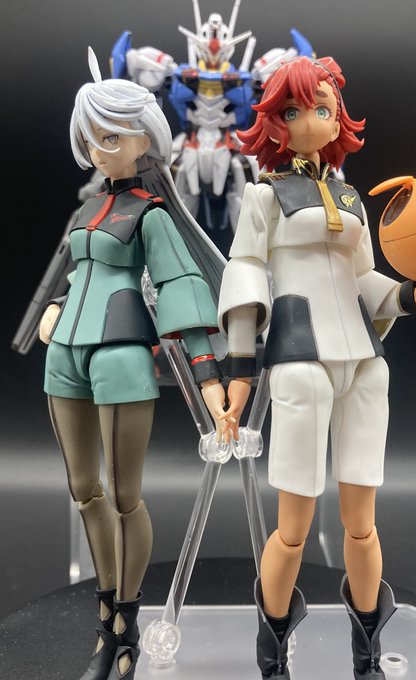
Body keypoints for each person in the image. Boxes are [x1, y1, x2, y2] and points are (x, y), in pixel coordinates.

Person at [216, 55, 416, 679]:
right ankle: (273, 656)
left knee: (362, 525)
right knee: (293, 529)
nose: (308, 119)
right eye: (293, 109)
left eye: (321, 107)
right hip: (300, 358)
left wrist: (413, 297)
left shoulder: (351, 197)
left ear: (338, 119)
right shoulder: (265, 195)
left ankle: (367, 653)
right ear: (275, 120)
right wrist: (241, 373)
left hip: (364, 362)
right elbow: (245, 275)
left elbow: (365, 283)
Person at [39, 47, 227, 680]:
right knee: (82, 490)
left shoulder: (151, 214)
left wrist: (207, 375)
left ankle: (126, 625)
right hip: (65, 353)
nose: (99, 148)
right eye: (91, 136)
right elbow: (82, 271)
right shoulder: (89, 209)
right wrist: (57, 304)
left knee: (123, 496)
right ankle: (104, 616)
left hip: (121, 354)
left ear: (144, 138)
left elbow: (180, 288)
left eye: (111, 136)